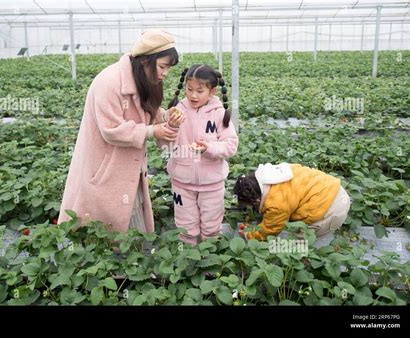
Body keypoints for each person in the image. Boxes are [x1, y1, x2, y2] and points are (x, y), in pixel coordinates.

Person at [58, 30, 183, 235]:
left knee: (129, 227)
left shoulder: (140, 78)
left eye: (168, 68)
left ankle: (130, 261)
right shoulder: (109, 82)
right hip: (106, 168)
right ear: (145, 61)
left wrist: (165, 116)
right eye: (163, 66)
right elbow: (112, 129)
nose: (165, 73)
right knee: (101, 233)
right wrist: (152, 131)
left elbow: (144, 110)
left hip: (128, 170)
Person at [165, 64, 238, 244]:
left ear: (212, 91)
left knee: (212, 227)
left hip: (212, 184)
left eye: (200, 91)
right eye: (190, 90)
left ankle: (208, 265)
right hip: (181, 183)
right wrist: (171, 127)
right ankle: (189, 262)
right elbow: (163, 144)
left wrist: (209, 148)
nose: (193, 95)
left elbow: (231, 145)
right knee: (185, 225)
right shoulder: (177, 112)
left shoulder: (219, 114)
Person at [233, 163, 351, 240]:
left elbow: (269, 230)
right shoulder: (275, 174)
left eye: (250, 206)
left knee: (298, 241)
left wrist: (249, 234)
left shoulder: (275, 203)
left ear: (257, 200)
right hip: (334, 190)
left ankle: (303, 262)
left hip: (333, 209)